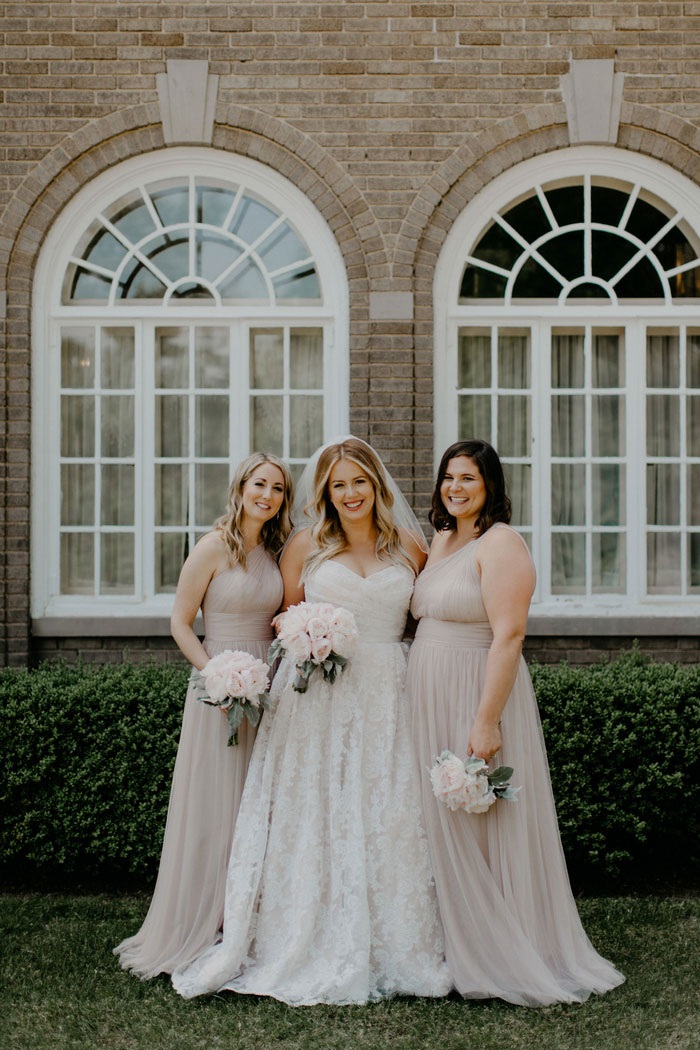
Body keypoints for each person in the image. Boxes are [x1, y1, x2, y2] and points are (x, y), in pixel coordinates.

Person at [172, 437, 450, 1005]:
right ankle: (300, 933)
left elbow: (431, 611)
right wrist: (310, 637)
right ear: (326, 492)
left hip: (388, 692)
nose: (350, 493)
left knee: (388, 807)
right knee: (312, 810)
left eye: (359, 482)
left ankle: (397, 938)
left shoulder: (413, 547)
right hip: (317, 694)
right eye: (337, 484)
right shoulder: (305, 544)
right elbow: (283, 615)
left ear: (376, 485)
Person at [407, 438, 624, 1006]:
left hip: (473, 689)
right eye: (449, 478)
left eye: (469, 480)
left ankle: (498, 949)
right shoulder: (442, 539)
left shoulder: (501, 544)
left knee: (479, 819)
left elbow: (509, 636)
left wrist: (486, 719)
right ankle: (451, 944)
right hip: (426, 688)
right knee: (436, 819)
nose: (456, 488)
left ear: (491, 488)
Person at [115, 452, 293, 979]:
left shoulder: (278, 550)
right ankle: (203, 922)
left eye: (279, 488)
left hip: (268, 686)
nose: (268, 495)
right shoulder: (214, 546)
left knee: (260, 804)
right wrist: (216, 674)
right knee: (218, 804)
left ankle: (251, 924)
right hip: (221, 685)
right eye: (260, 484)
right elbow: (180, 622)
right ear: (240, 488)